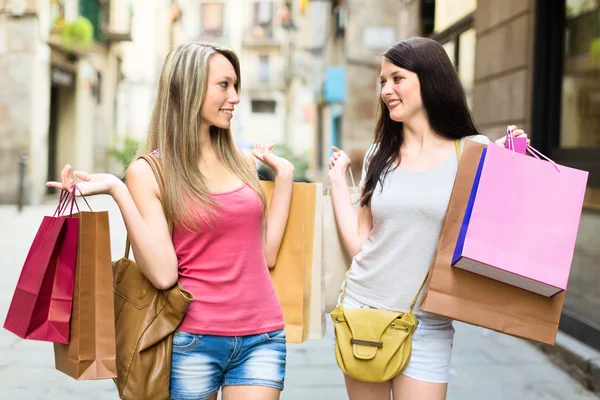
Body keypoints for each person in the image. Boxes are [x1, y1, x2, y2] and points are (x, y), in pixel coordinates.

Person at [47, 42, 294, 400]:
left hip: (263, 336)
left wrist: (284, 176)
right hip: (194, 340)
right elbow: (164, 274)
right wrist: (119, 191)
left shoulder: (242, 161)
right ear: (189, 89)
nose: (236, 97)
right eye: (224, 85)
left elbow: (266, 255)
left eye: (236, 85)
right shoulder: (150, 172)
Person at [327, 37, 528, 400]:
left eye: (397, 78)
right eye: (383, 81)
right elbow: (360, 242)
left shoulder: (473, 150)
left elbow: (498, 230)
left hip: (428, 323)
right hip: (364, 313)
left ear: (430, 79)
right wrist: (338, 182)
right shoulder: (379, 155)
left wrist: (512, 163)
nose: (387, 89)